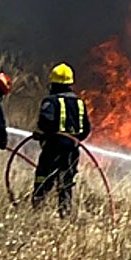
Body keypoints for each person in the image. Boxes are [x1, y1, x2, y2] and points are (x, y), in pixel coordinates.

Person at [31, 62, 91, 217]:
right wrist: (75, 140)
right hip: (72, 150)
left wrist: (41, 135)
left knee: (43, 179)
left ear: (54, 83)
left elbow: (46, 122)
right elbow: (86, 129)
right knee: (66, 184)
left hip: (53, 148)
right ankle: (64, 213)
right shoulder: (80, 103)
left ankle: (37, 211)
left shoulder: (50, 101)